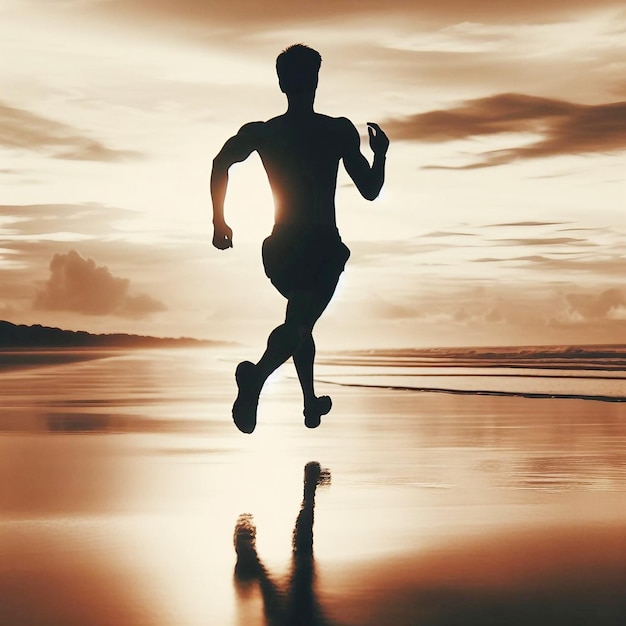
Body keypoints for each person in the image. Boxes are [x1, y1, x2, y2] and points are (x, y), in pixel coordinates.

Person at [211, 44, 388, 434]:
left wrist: (218, 221)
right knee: (301, 321)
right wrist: (381, 154)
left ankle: (310, 403)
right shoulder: (337, 130)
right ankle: (255, 377)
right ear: (315, 81)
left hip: (282, 249)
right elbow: (371, 190)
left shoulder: (264, 133)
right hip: (322, 247)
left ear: (281, 83)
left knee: (300, 319)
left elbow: (220, 162)